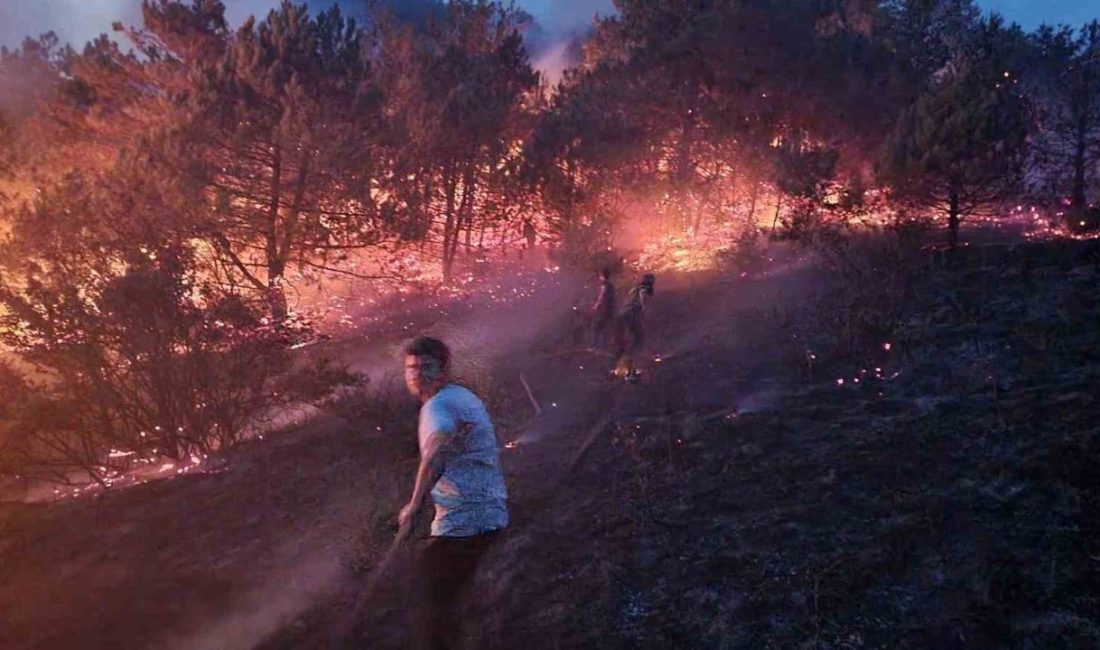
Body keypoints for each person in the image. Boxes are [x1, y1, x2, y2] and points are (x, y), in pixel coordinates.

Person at [399, 337, 508, 650]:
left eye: (426, 367)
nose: (417, 375)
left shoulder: (438, 406)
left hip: (463, 522)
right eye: (411, 368)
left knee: (429, 608)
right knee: (450, 604)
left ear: (444, 370)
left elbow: (437, 450)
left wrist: (414, 506)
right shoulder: (462, 397)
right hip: (487, 512)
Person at [613, 273, 655, 380]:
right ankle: (629, 369)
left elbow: (627, 300)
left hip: (623, 315)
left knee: (633, 339)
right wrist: (646, 314)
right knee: (638, 339)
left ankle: (624, 366)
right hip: (630, 315)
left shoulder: (634, 288)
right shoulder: (643, 289)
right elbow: (642, 301)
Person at [589, 267, 616, 349]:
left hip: (603, 310)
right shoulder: (611, 286)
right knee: (605, 328)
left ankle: (593, 346)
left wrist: (595, 306)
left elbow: (601, 296)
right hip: (610, 310)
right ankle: (604, 345)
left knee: (595, 327)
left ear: (602, 276)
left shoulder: (604, 285)